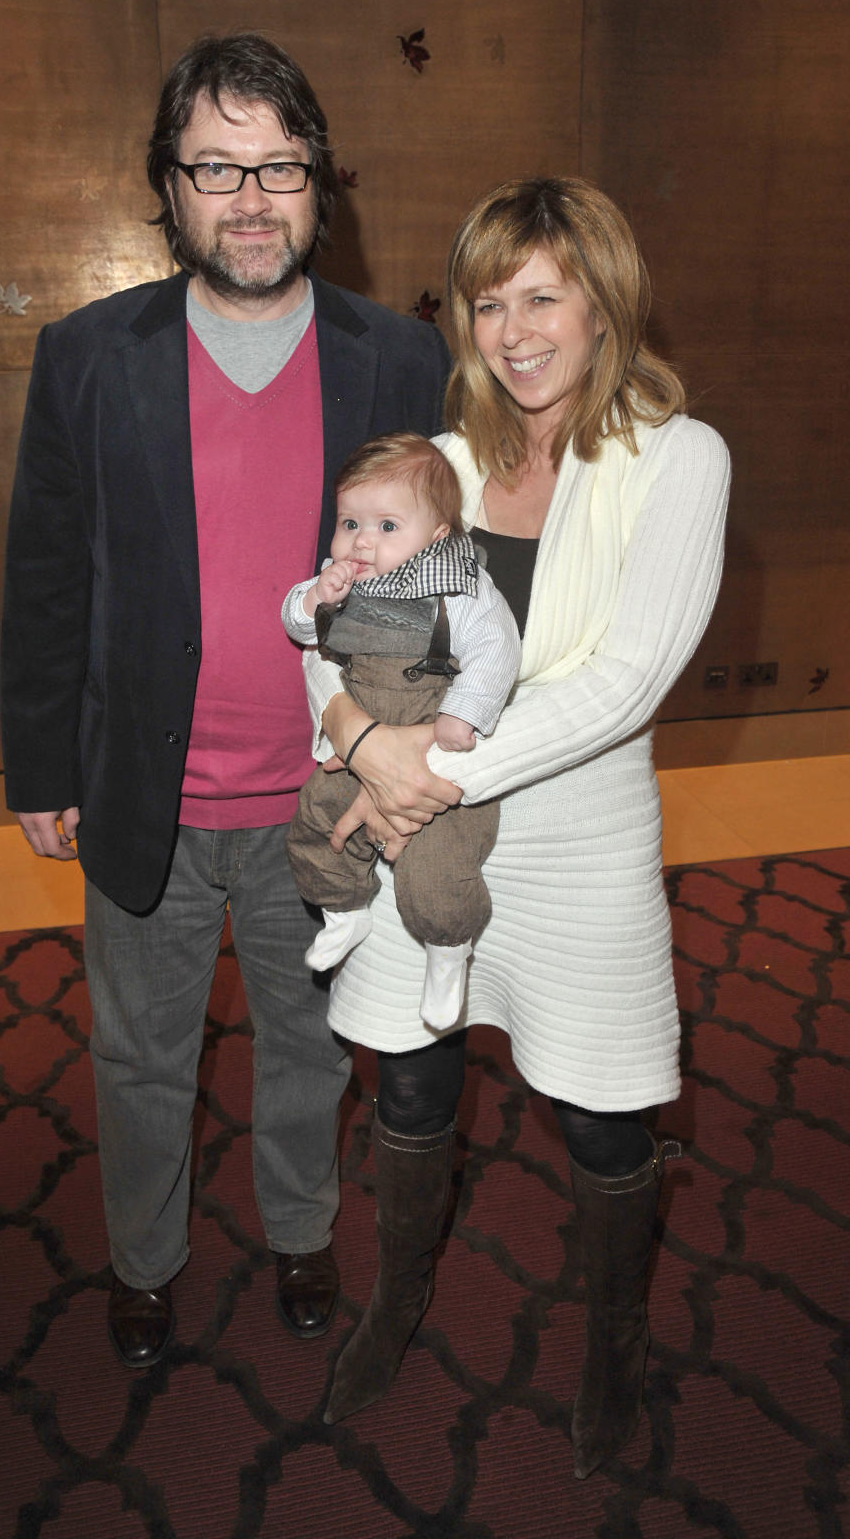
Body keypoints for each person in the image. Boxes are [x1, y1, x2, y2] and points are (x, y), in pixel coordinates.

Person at [0, 32, 451, 1369]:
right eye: (217, 167)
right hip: (151, 795)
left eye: (280, 166)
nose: (251, 198)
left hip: (328, 801)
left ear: (322, 184)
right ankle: (145, 1259)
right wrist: (37, 763)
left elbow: (447, 580)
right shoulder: (88, 357)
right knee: (141, 1059)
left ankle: (301, 1234)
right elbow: (43, 571)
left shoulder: (402, 359)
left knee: (309, 1050)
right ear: (170, 185)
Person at [305, 177, 730, 1476]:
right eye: (489, 301)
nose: (513, 328)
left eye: (543, 295)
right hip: (410, 811)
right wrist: (358, 737)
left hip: (574, 834)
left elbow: (628, 679)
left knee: (604, 1114)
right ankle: (398, 1295)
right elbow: (341, 601)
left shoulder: (680, 456)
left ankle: (615, 1340)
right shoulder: (447, 449)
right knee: (411, 1076)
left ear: (605, 302)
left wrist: (428, 771)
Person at [281, 432, 521, 1028]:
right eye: (350, 522)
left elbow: (497, 649)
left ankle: (448, 952)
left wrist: (464, 712)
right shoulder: (342, 581)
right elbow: (300, 632)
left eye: (388, 526)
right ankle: (343, 910)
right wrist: (314, 599)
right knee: (316, 821)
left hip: (435, 758)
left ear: (436, 535)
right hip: (355, 755)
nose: (363, 540)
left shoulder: (457, 587)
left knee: (437, 868)